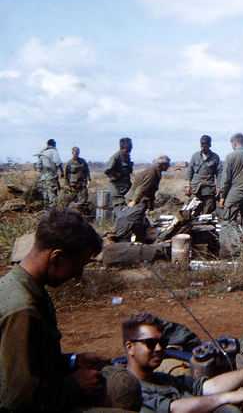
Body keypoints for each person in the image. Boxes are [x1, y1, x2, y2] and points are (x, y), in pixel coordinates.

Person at [0, 209, 140, 412]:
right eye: (78, 266)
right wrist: (74, 385)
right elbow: (20, 401)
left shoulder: (18, 287)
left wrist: (73, 362)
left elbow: (29, 365)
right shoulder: (22, 310)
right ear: (56, 257)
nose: (78, 276)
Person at [123, 312, 243, 413]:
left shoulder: (162, 379)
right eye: (150, 344)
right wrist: (225, 398)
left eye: (163, 343)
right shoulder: (129, 390)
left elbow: (205, 387)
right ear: (130, 347)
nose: (159, 348)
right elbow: (174, 409)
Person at [186, 135, 222, 214]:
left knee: (208, 213)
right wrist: (187, 185)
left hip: (209, 190)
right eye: (201, 146)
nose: (203, 148)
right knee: (192, 212)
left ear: (209, 145)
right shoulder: (195, 156)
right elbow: (190, 171)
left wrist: (219, 187)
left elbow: (219, 174)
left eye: (205, 146)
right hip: (195, 189)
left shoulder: (215, 157)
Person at [104, 137, 134, 209]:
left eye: (130, 151)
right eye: (126, 151)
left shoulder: (127, 158)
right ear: (121, 147)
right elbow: (107, 170)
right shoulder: (116, 157)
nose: (128, 153)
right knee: (119, 210)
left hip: (126, 189)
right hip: (117, 190)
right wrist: (115, 174)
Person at [36, 138, 64, 209]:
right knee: (53, 196)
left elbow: (39, 166)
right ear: (54, 145)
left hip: (43, 178)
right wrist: (61, 172)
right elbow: (57, 162)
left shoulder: (42, 153)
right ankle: (52, 213)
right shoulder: (53, 151)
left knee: (45, 196)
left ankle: (46, 211)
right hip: (51, 178)